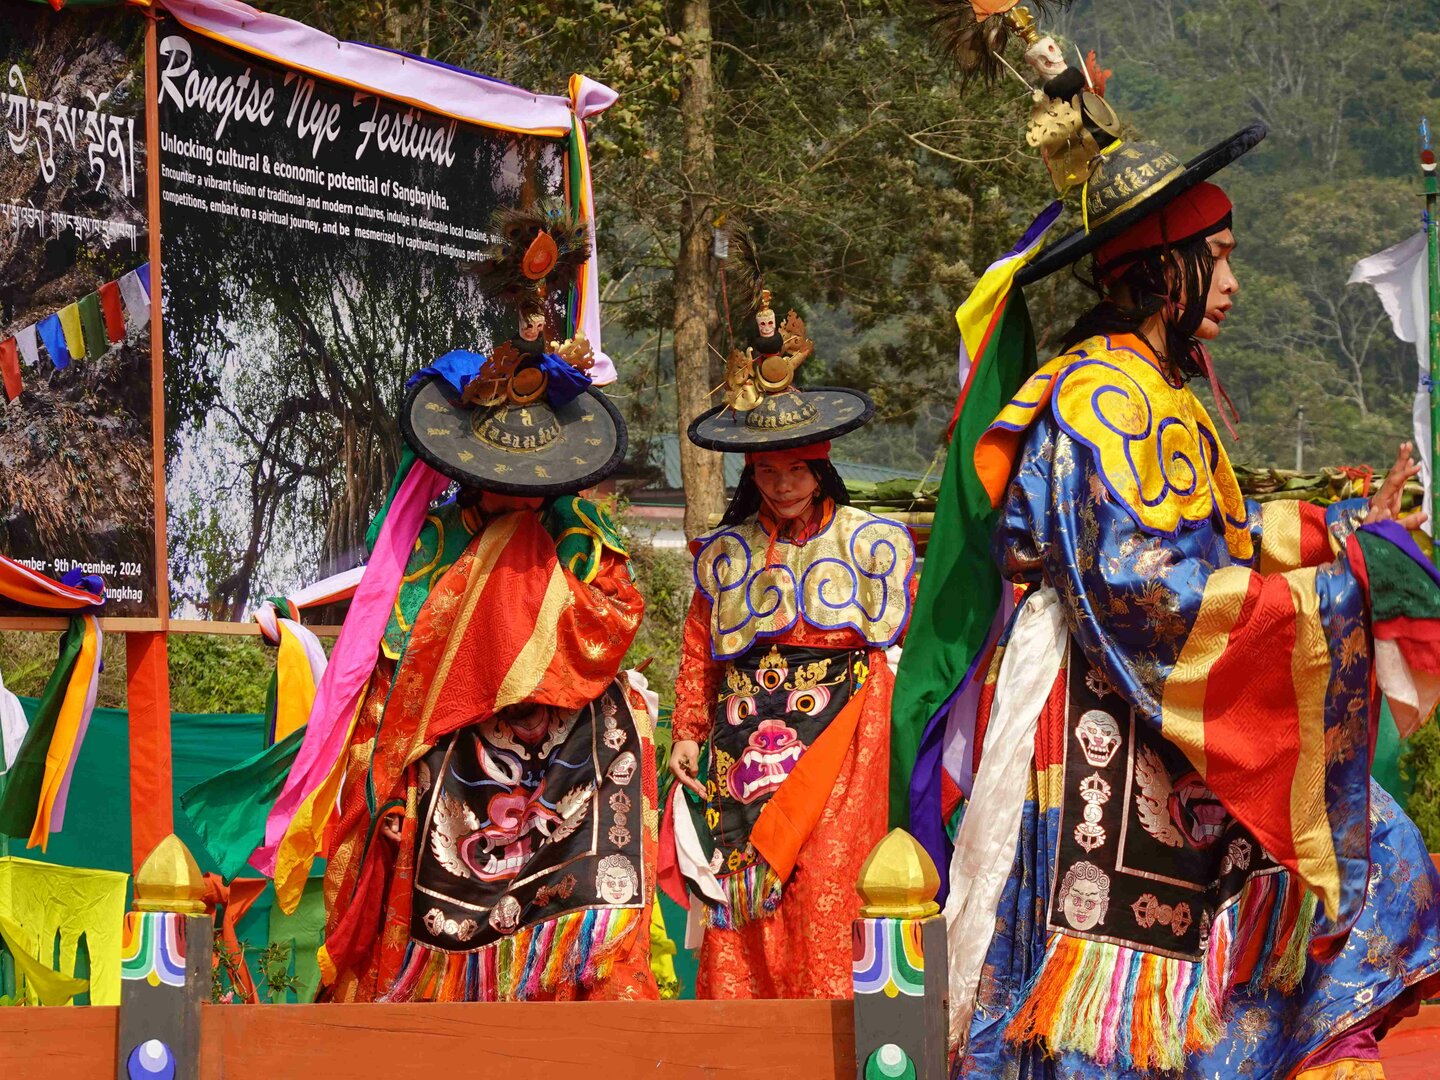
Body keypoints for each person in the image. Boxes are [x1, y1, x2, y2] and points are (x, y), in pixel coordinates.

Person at [903, 4, 1440, 1075]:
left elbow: (1218, 532)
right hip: (1112, 701)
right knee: (1135, 987)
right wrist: (1346, 585)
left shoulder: (1156, 390)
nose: (1235, 283)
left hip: (1168, 694)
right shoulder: (1105, 395)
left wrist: (1347, 535)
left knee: (1375, 855)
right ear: (1163, 272)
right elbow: (1149, 585)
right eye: (1221, 258)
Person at [310, 210, 660, 1004]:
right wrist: (384, 774)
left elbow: (608, 634)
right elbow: (391, 671)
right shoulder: (431, 543)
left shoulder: (585, 534)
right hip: (451, 773)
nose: (516, 486)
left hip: (571, 768)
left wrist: (523, 572)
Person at [666, 293, 917, 998]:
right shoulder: (726, 555)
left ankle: (835, 1044)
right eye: (768, 474)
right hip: (741, 742)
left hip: (841, 738)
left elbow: (903, 644)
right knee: (742, 897)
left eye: (797, 473)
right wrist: (688, 730)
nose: (782, 486)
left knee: (828, 879)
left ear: (821, 469)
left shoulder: (870, 544)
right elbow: (698, 649)